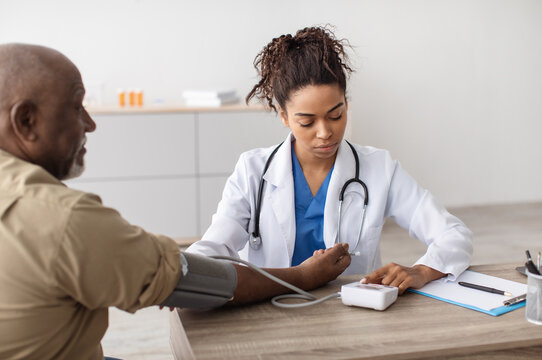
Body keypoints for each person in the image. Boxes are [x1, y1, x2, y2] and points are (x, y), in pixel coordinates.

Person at [0, 43, 351, 360]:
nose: (90, 124)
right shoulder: (62, 219)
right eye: (76, 107)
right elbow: (195, 282)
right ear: (26, 121)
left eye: (335, 115)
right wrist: (304, 275)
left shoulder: (376, 165)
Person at [188, 26, 473, 293]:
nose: (325, 132)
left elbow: (453, 233)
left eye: (336, 115)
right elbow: (215, 245)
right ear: (284, 116)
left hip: (352, 313)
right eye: (307, 122)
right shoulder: (252, 171)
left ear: (346, 104)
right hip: (268, 312)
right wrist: (183, 275)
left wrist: (422, 270)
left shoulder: (379, 169)